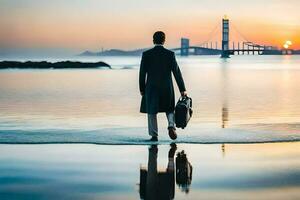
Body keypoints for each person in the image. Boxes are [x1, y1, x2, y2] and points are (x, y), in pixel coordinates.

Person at [139, 31, 187, 141]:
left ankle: (154, 135)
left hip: (151, 87)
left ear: (153, 40)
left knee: (152, 111)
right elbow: (176, 72)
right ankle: (171, 125)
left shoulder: (146, 54)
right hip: (167, 87)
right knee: (169, 108)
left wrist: (142, 89)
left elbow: (142, 73)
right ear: (164, 40)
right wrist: (182, 89)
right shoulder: (170, 54)